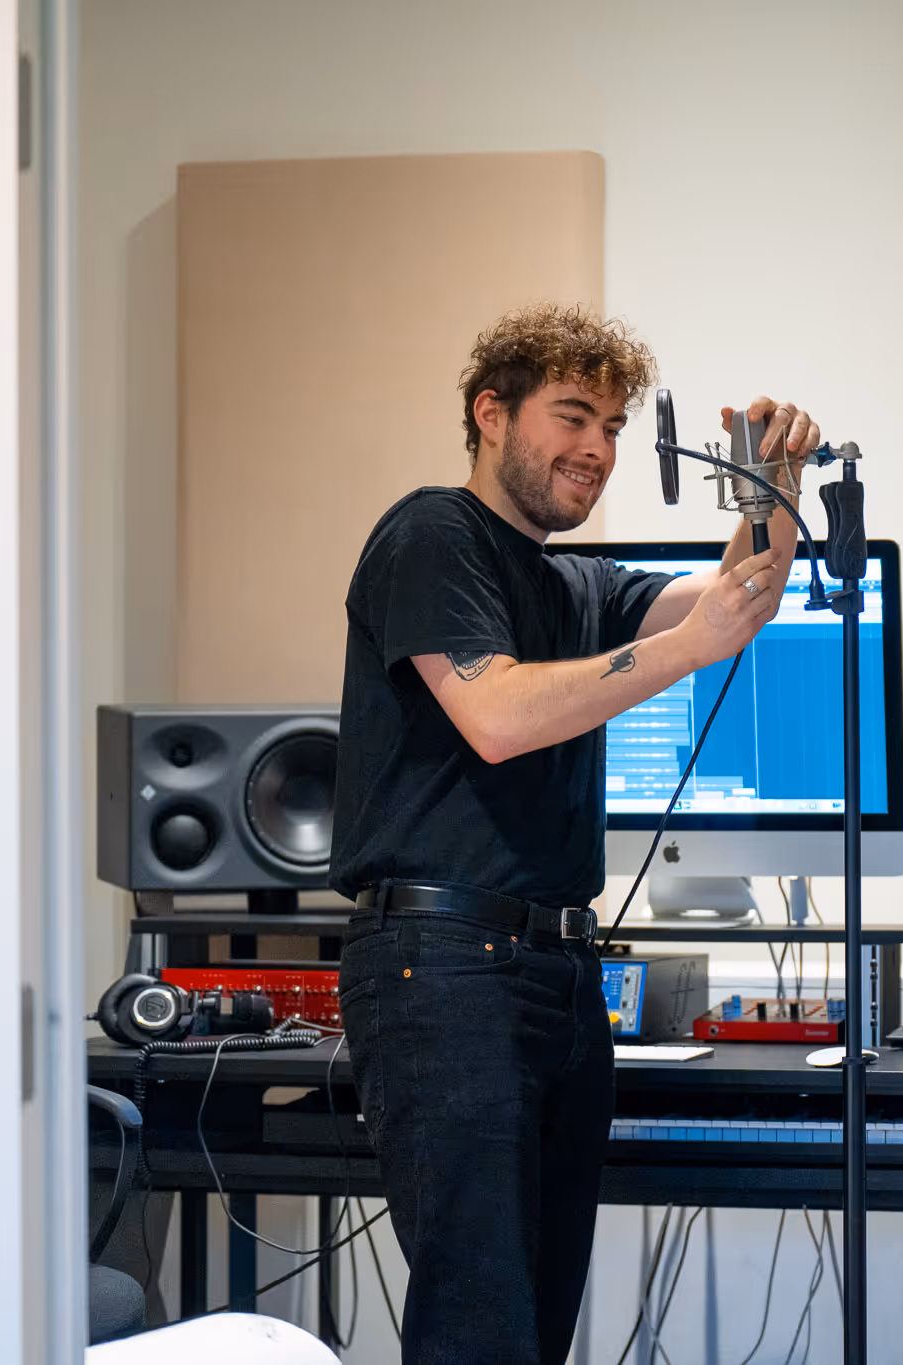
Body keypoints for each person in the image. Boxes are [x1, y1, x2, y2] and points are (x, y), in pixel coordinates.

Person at [328, 302, 820, 1364]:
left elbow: (738, 597)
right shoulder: (431, 534)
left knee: (534, 1325)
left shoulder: (577, 581)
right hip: (443, 967)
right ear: (489, 412)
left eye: (610, 425)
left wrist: (768, 490)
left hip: (552, 972)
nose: (596, 448)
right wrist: (688, 649)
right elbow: (497, 715)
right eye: (571, 416)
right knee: (483, 1323)